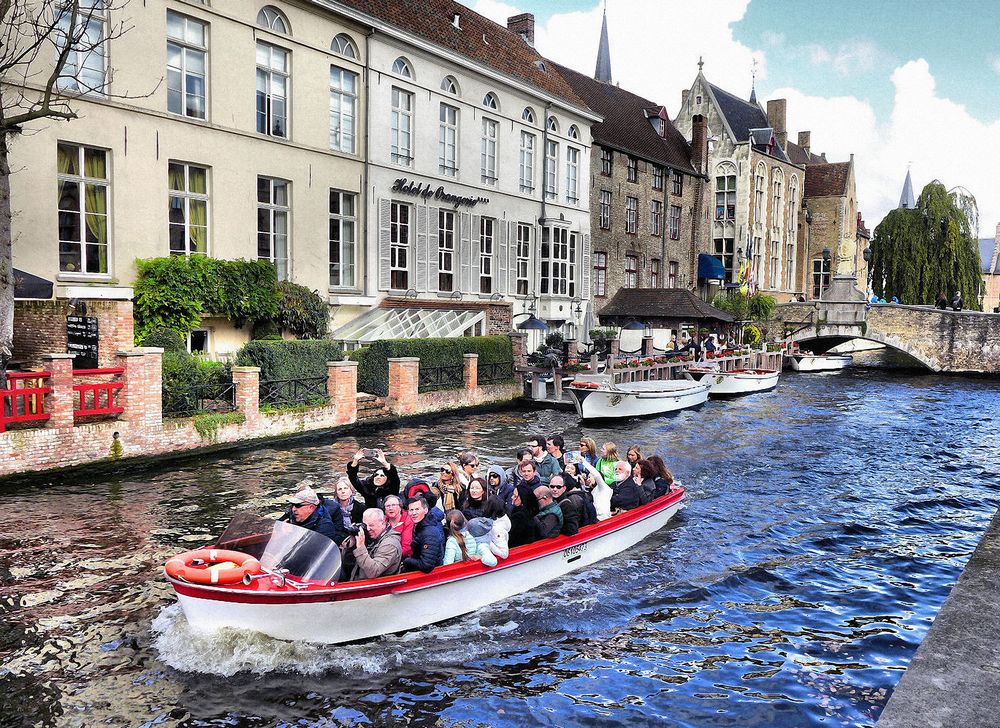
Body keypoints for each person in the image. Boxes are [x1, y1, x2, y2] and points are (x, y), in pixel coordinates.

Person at [349, 508, 402, 580]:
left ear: (383, 523)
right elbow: (348, 564)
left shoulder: (390, 544)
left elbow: (373, 572)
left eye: (371, 525)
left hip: (380, 589)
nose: (367, 529)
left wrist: (361, 548)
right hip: (360, 583)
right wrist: (351, 545)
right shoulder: (373, 537)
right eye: (365, 525)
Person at [401, 496, 444, 573]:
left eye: (417, 509)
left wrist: (406, 561)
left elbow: (427, 565)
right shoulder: (418, 526)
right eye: (411, 510)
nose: (414, 513)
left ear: (425, 510)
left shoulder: (429, 533)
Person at [467, 495, 512, 560]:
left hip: (491, 557)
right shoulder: (503, 518)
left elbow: (504, 554)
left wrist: (487, 541)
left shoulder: (497, 528)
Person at [508, 483, 540, 548]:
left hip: (519, 548)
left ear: (522, 498)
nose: (512, 497)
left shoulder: (519, 517)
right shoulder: (530, 510)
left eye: (515, 496)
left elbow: (511, 537)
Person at [383, 494, 414, 559]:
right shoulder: (383, 520)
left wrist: (389, 558)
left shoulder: (408, 521)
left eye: (394, 505)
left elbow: (406, 548)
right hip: (383, 553)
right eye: (388, 506)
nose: (390, 508)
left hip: (400, 557)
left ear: (400, 507)